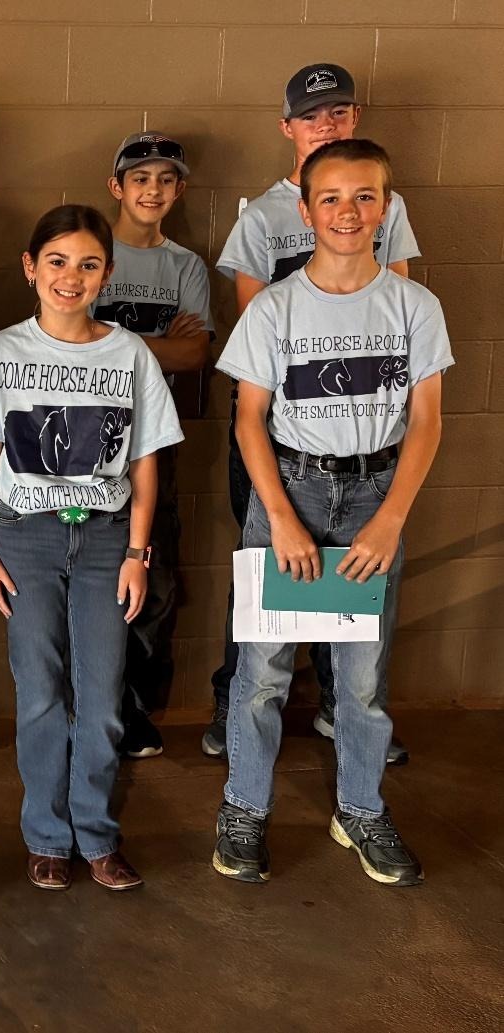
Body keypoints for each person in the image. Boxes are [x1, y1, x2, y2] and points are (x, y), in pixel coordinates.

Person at [211, 140, 449, 888]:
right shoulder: (275, 306)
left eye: (366, 197)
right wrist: (278, 515)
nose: (349, 212)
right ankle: (244, 809)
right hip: (293, 493)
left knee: (364, 678)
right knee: (262, 675)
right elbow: (250, 418)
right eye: (333, 198)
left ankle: (361, 808)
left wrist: (389, 520)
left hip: (375, 497)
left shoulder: (414, 305)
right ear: (307, 209)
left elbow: (428, 419)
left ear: (387, 207)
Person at [0, 205, 183, 892]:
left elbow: (145, 464)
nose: (71, 277)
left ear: (107, 273)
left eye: (88, 264)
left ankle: (97, 834)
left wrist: (137, 553)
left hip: (106, 538)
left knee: (104, 695)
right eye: (56, 261)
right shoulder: (1, 353)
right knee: (40, 693)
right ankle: (48, 835)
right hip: (26, 536)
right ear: (31, 268)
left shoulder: (129, 353)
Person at [205, 63, 420, 763]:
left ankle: (341, 707)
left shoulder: (388, 207)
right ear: (288, 128)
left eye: (339, 112)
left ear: (354, 118)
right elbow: (252, 329)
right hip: (280, 433)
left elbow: (398, 311)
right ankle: (233, 706)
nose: (328, 124)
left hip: (360, 431)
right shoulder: (264, 216)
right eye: (313, 115)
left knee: (350, 576)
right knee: (267, 570)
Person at [91, 133, 212, 759]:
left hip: (152, 440)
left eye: (166, 180)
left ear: (179, 190)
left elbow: (194, 354)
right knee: (88, 573)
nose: (153, 190)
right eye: (140, 178)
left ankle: (133, 709)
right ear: (117, 187)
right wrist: (154, 344)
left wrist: (107, 339)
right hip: (82, 440)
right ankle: (91, 707)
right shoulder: (90, 252)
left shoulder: (185, 266)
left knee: (153, 579)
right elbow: (67, 336)